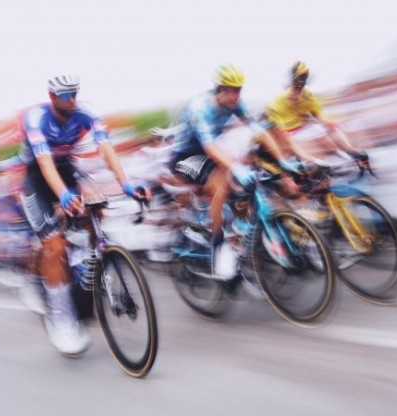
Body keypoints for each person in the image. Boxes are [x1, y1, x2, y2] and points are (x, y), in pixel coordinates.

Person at [19, 74, 148, 356]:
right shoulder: (36, 118)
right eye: (66, 95)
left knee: (96, 207)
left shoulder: (85, 114)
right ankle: (61, 320)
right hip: (37, 177)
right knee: (55, 246)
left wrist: (125, 184)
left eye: (74, 94)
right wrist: (63, 195)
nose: (72, 100)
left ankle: (89, 261)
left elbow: (105, 148)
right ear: (52, 97)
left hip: (67, 169)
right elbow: (45, 163)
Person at [168, 65, 296, 284]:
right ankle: (218, 246)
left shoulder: (235, 104)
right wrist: (236, 168)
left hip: (208, 152)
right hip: (184, 157)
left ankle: (239, 236)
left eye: (240, 90)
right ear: (220, 90)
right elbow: (209, 147)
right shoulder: (200, 107)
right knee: (221, 182)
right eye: (233, 90)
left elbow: (259, 131)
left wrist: (282, 160)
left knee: (244, 183)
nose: (237, 95)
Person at [259, 61, 369, 170]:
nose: (298, 91)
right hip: (282, 131)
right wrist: (309, 160)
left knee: (326, 129)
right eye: (296, 86)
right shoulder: (277, 102)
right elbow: (283, 137)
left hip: (299, 127)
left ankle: (347, 153)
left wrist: (349, 148)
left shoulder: (308, 98)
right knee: (286, 139)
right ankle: (310, 162)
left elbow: (325, 120)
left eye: (301, 86)